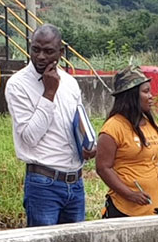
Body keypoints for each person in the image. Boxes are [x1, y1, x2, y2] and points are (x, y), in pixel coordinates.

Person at [5, 24, 97, 226]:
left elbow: (78, 122)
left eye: (48, 51)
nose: (40, 57)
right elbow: (29, 137)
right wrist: (49, 93)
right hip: (43, 183)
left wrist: (88, 145)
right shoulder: (17, 85)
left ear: (61, 52)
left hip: (75, 182)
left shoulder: (70, 82)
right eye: (35, 49)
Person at [95, 66, 158, 217]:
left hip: (153, 209)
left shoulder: (152, 124)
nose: (151, 96)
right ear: (131, 95)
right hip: (125, 210)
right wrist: (129, 194)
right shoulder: (113, 128)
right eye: (146, 91)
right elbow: (103, 168)